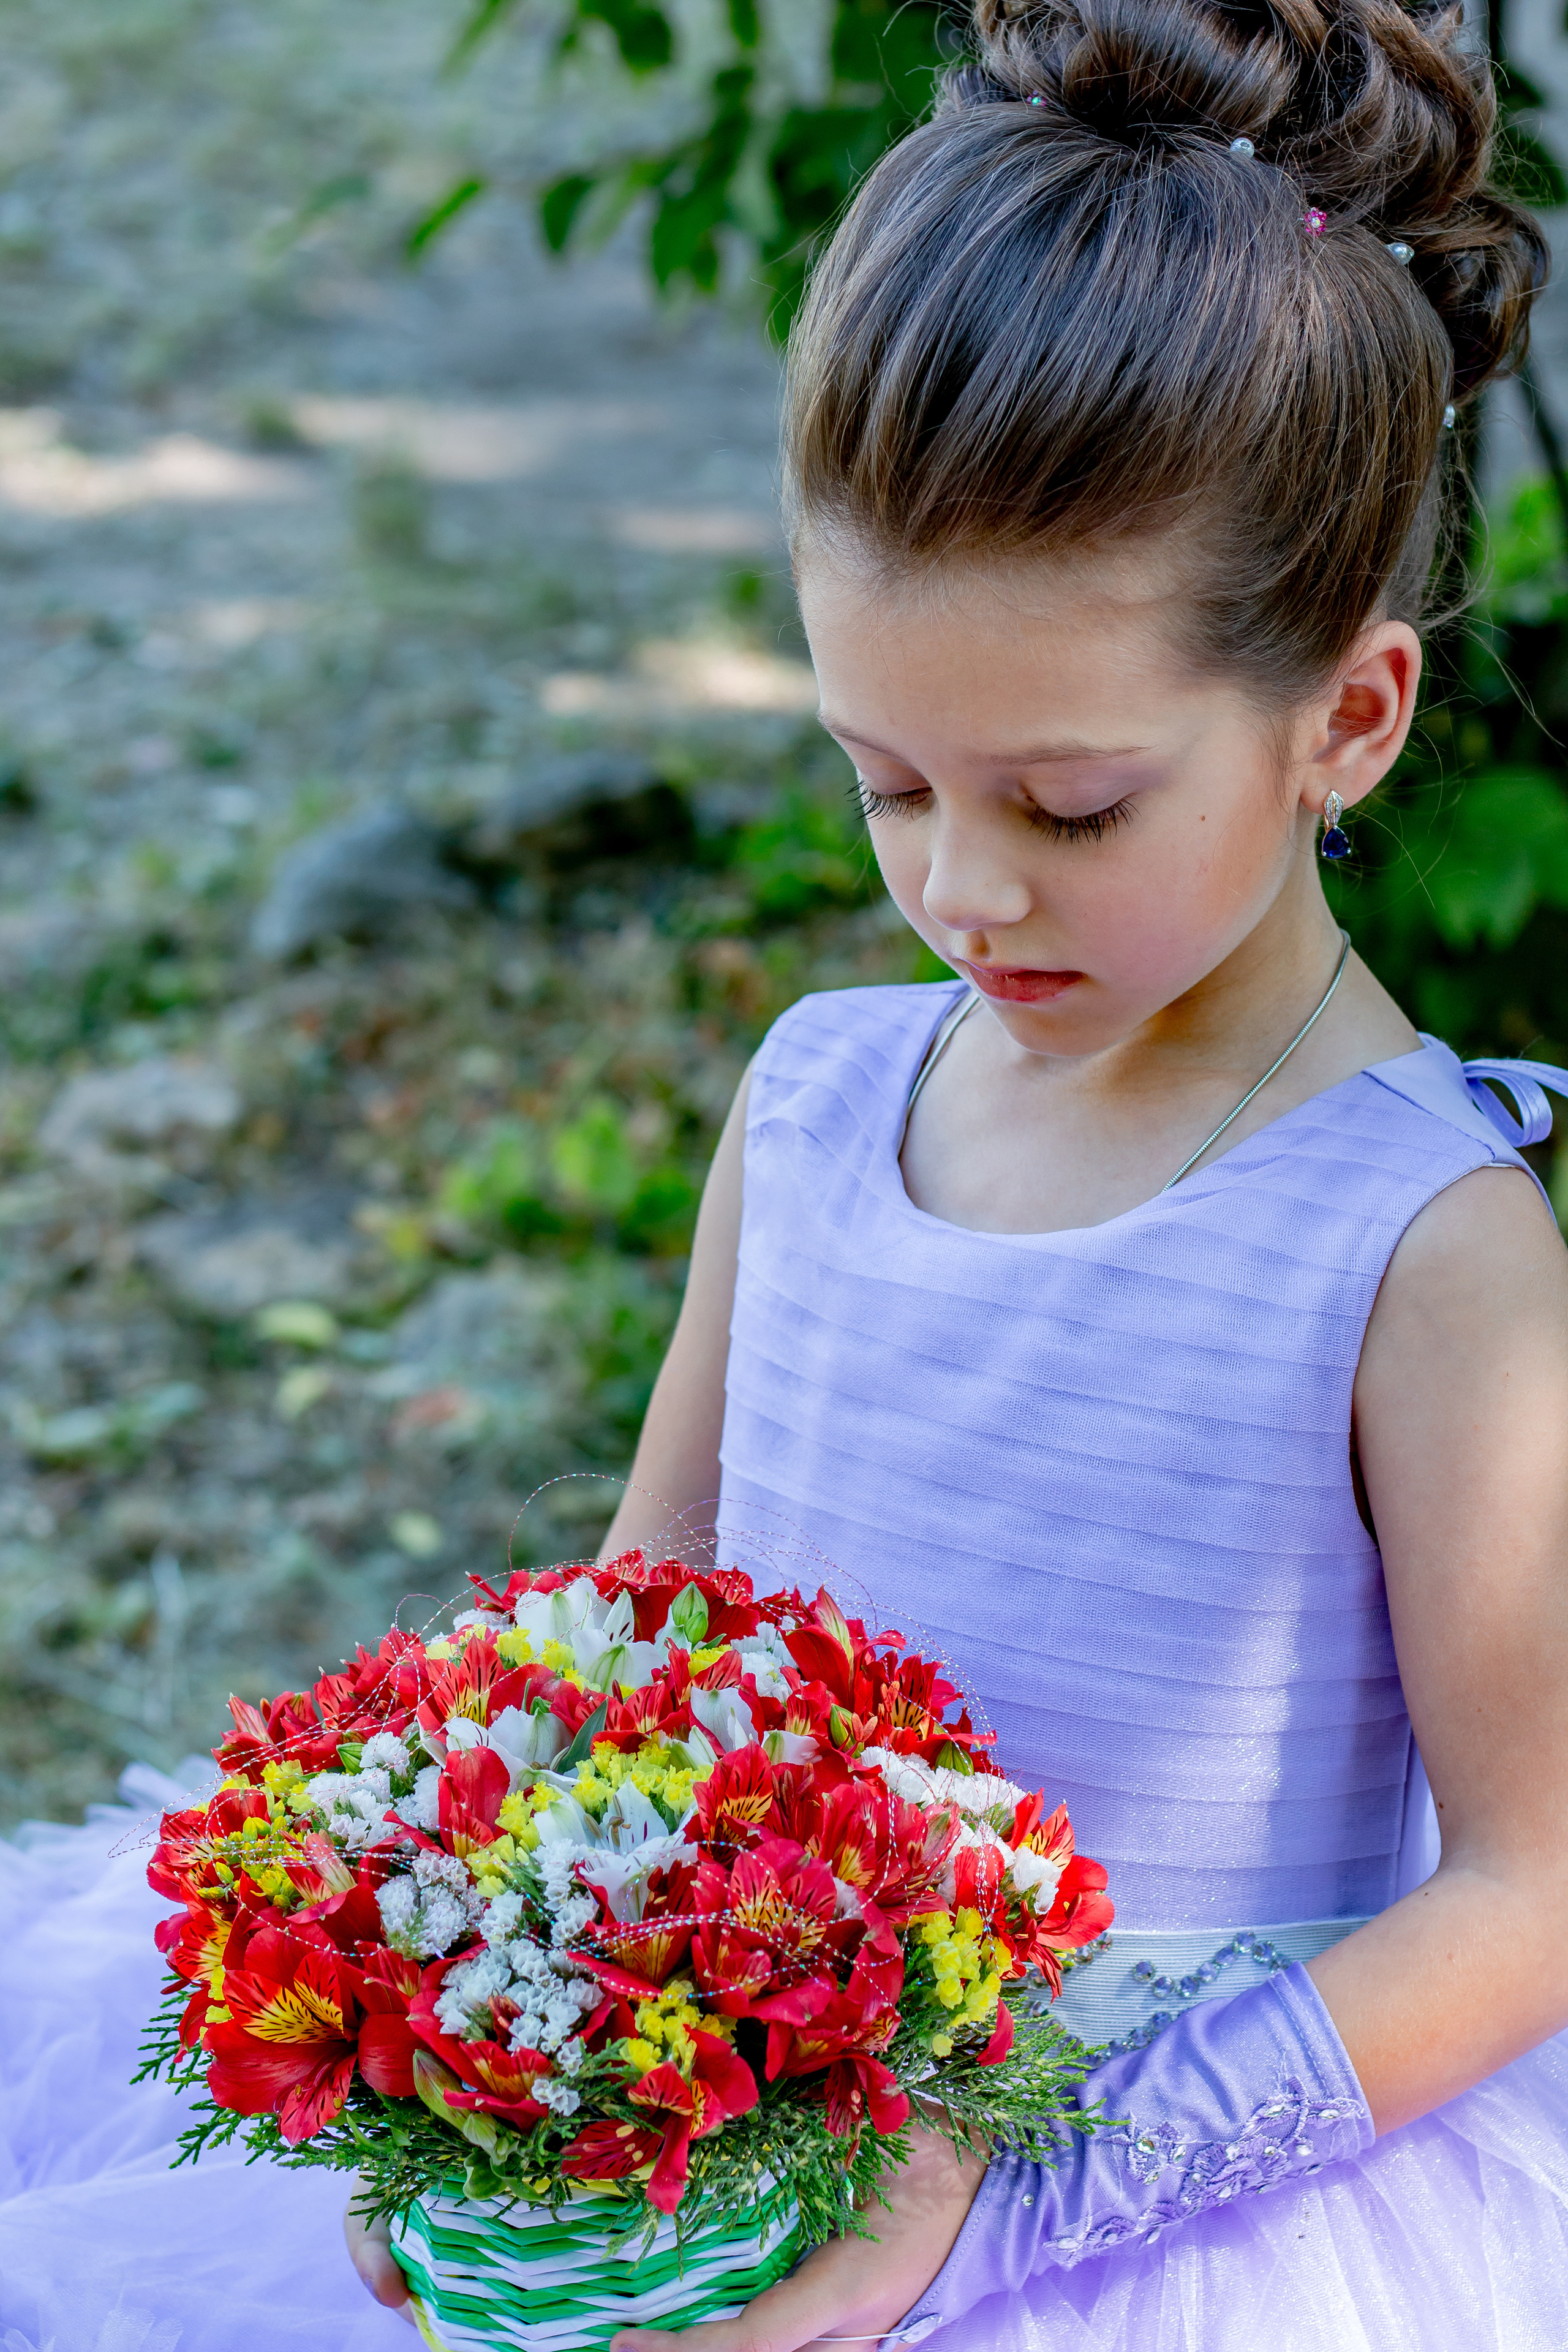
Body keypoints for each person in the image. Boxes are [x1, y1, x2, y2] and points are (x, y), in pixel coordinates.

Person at [348, 0, 1568, 2340]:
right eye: (884, 780)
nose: (963, 892)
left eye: (1070, 805)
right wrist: (499, 2083)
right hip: (747, 2139)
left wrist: (1016, 2218)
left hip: (1195, 2204)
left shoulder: (1420, 1246)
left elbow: (1529, 1890)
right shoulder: (818, 1103)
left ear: (1352, 716)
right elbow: (642, 1630)